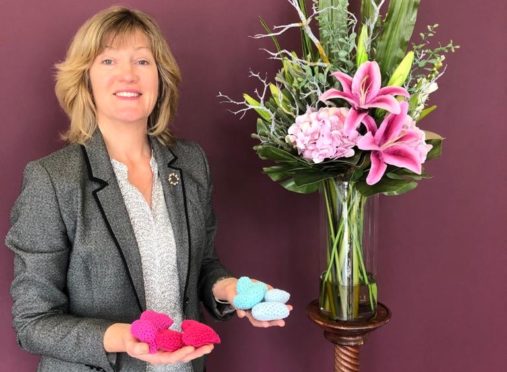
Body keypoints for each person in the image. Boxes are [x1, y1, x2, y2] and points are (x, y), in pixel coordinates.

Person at [5, 7, 291, 372]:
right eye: (108, 60)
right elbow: (33, 323)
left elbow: (202, 265)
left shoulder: (190, 163)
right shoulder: (52, 179)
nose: (128, 74)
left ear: (160, 78)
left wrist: (231, 291)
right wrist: (124, 339)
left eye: (143, 60)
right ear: (85, 80)